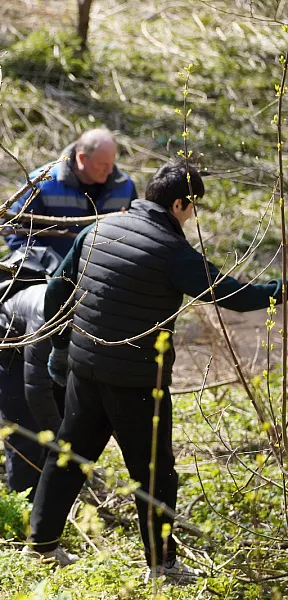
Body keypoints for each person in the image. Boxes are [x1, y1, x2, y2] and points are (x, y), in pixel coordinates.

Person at [29, 162, 283, 581]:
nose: (191, 217)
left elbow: (57, 288)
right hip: (137, 383)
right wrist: (280, 289)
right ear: (178, 203)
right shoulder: (171, 252)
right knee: (154, 473)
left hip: (85, 368)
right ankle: (162, 565)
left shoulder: (100, 229)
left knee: (69, 456)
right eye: (191, 209)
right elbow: (234, 296)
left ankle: (41, 545)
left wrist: (62, 347)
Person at [0, 247, 65, 495]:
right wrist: (60, 437)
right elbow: (36, 388)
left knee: (59, 409)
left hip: (33, 341)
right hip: (3, 347)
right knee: (21, 422)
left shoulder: (78, 313)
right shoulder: (46, 315)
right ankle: (23, 498)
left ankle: (53, 486)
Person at [5, 127, 137, 257]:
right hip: (50, 275)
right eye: (103, 165)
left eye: (112, 164)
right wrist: (48, 264)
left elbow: (135, 232)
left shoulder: (125, 187)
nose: (109, 171)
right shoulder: (41, 183)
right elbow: (13, 230)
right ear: (81, 158)